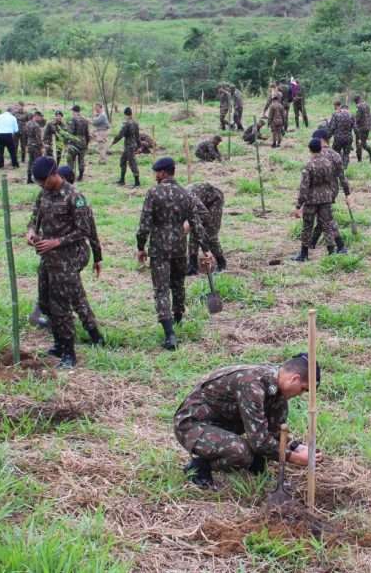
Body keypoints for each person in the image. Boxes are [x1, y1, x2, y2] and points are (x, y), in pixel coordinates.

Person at [174, 354, 320, 489]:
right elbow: (260, 442)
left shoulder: (276, 388)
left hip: (224, 424)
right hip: (193, 424)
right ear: (294, 378)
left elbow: (275, 431)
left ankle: (255, 465)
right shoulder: (252, 384)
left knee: (262, 447)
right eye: (303, 389)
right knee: (240, 452)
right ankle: (199, 466)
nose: (300, 394)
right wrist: (294, 458)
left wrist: (297, 447)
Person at [27, 157, 100, 367]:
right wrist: (31, 232)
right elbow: (34, 217)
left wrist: (56, 242)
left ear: (53, 175)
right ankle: (59, 343)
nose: (42, 185)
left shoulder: (74, 197)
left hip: (68, 258)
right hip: (48, 259)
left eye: (44, 181)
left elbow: (84, 230)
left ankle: (69, 352)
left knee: (61, 306)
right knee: (45, 302)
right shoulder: (44, 194)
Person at [137, 157, 210, 351]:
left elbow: (144, 225)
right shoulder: (186, 194)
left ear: (162, 173)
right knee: (178, 285)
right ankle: (178, 319)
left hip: (159, 249)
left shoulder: (153, 193)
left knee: (161, 289)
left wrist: (140, 247)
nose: (155, 176)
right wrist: (206, 249)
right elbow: (196, 224)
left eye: (156, 172)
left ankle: (170, 334)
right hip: (179, 247)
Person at [54, 165, 105, 346]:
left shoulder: (77, 200)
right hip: (57, 256)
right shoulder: (51, 198)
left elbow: (90, 230)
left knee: (73, 293)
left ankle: (94, 335)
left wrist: (98, 258)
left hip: (75, 254)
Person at [293, 139, 339, 261]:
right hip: (326, 198)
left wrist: (298, 206)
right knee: (327, 225)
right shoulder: (328, 163)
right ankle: (331, 252)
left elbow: (304, 187)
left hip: (311, 200)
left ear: (310, 149)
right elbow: (332, 181)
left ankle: (304, 254)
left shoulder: (309, 165)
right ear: (320, 148)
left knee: (307, 226)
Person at [307, 129, 350, 254]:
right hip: (333, 190)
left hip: (319, 192)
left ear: (320, 140)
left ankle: (340, 245)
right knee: (323, 216)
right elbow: (342, 177)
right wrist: (348, 194)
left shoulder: (318, 154)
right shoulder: (336, 155)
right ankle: (313, 242)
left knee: (327, 218)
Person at [187, 182, 227, 274]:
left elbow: (205, 215)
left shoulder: (188, 198)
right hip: (200, 201)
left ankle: (221, 263)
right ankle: (192, 266)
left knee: (210, 233)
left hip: (214, 200)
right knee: (193, 233)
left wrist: (190, 223)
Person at [110, 107, 141, 186]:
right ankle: (122, 180)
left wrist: (113, 142)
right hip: (132, 145)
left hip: (129, 146)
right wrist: (139, 146)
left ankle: (137, 182)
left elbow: (120, 135)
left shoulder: (126, 124)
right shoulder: (135, 123)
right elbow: (138, 136)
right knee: (123, 161)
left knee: (132, 163)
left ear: (125, 114)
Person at [64, 105, 90, 181]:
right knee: (81, 159)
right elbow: (87, 133)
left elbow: (70, 132)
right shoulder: (85, 120)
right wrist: (86, 143)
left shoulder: (73, 120)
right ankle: (81, 175)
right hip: (83, 141)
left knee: (70, 159)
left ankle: (70, 175)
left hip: (74, 141)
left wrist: (66, 142)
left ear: (74, 111)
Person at [327, 100, 355, 168]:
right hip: (348, 137)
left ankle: (337, 169)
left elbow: (332, 127)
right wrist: (358, 138)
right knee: (346, 154)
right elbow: (355, 127)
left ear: (336, 106)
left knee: (335, 153)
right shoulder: (351, 115)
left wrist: (328, 137)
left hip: (338, 138)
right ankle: (345, 168)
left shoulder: (335, 114)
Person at [24, 111, 46, 185]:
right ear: (36, 116)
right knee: (37, 162)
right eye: (40, 117)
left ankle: (29, 178)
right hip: (36, 146)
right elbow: (38, 138)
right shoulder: (36, 125)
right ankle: (37, 178)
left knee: (30, 162)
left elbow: (26, 134)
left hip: (29, 144)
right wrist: (42, 146)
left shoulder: (28, 123)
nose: (40, 118)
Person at [354, 95, 371, 163]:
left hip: (361, 128)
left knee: (359, 144)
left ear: (356, 101)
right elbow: (370, 116)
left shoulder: (359, 107)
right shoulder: (367, 105)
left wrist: (354, 121)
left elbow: (358, 118)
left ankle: (360, 160)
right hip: (367, 127)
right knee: (363, 143)